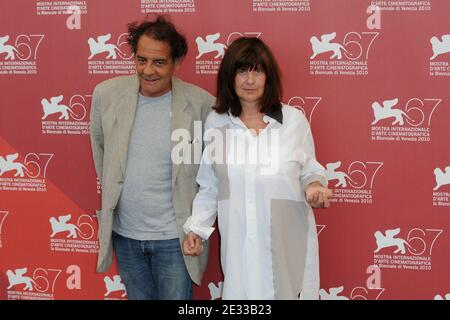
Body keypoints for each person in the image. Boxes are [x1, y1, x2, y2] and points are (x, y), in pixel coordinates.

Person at [182, 37, 332, 300]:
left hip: (286, 244)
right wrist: (197, 228)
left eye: (257, 71)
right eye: (241, 71)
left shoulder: (293, 121)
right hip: (239, 245)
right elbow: (210, 185)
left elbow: (310, 170)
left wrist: (315, 187)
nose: (249, 80)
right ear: (230, 76)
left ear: (268, 76)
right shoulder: (217, 123)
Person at [89, 15, 215, 300]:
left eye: (159, 62)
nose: (148, 71)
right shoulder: (106, 95)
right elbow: (102, 151)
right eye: (141, 60)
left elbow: (211, 173)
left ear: (176, 62)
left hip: (176, 239)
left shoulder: (202, 104)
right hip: (125, 235)